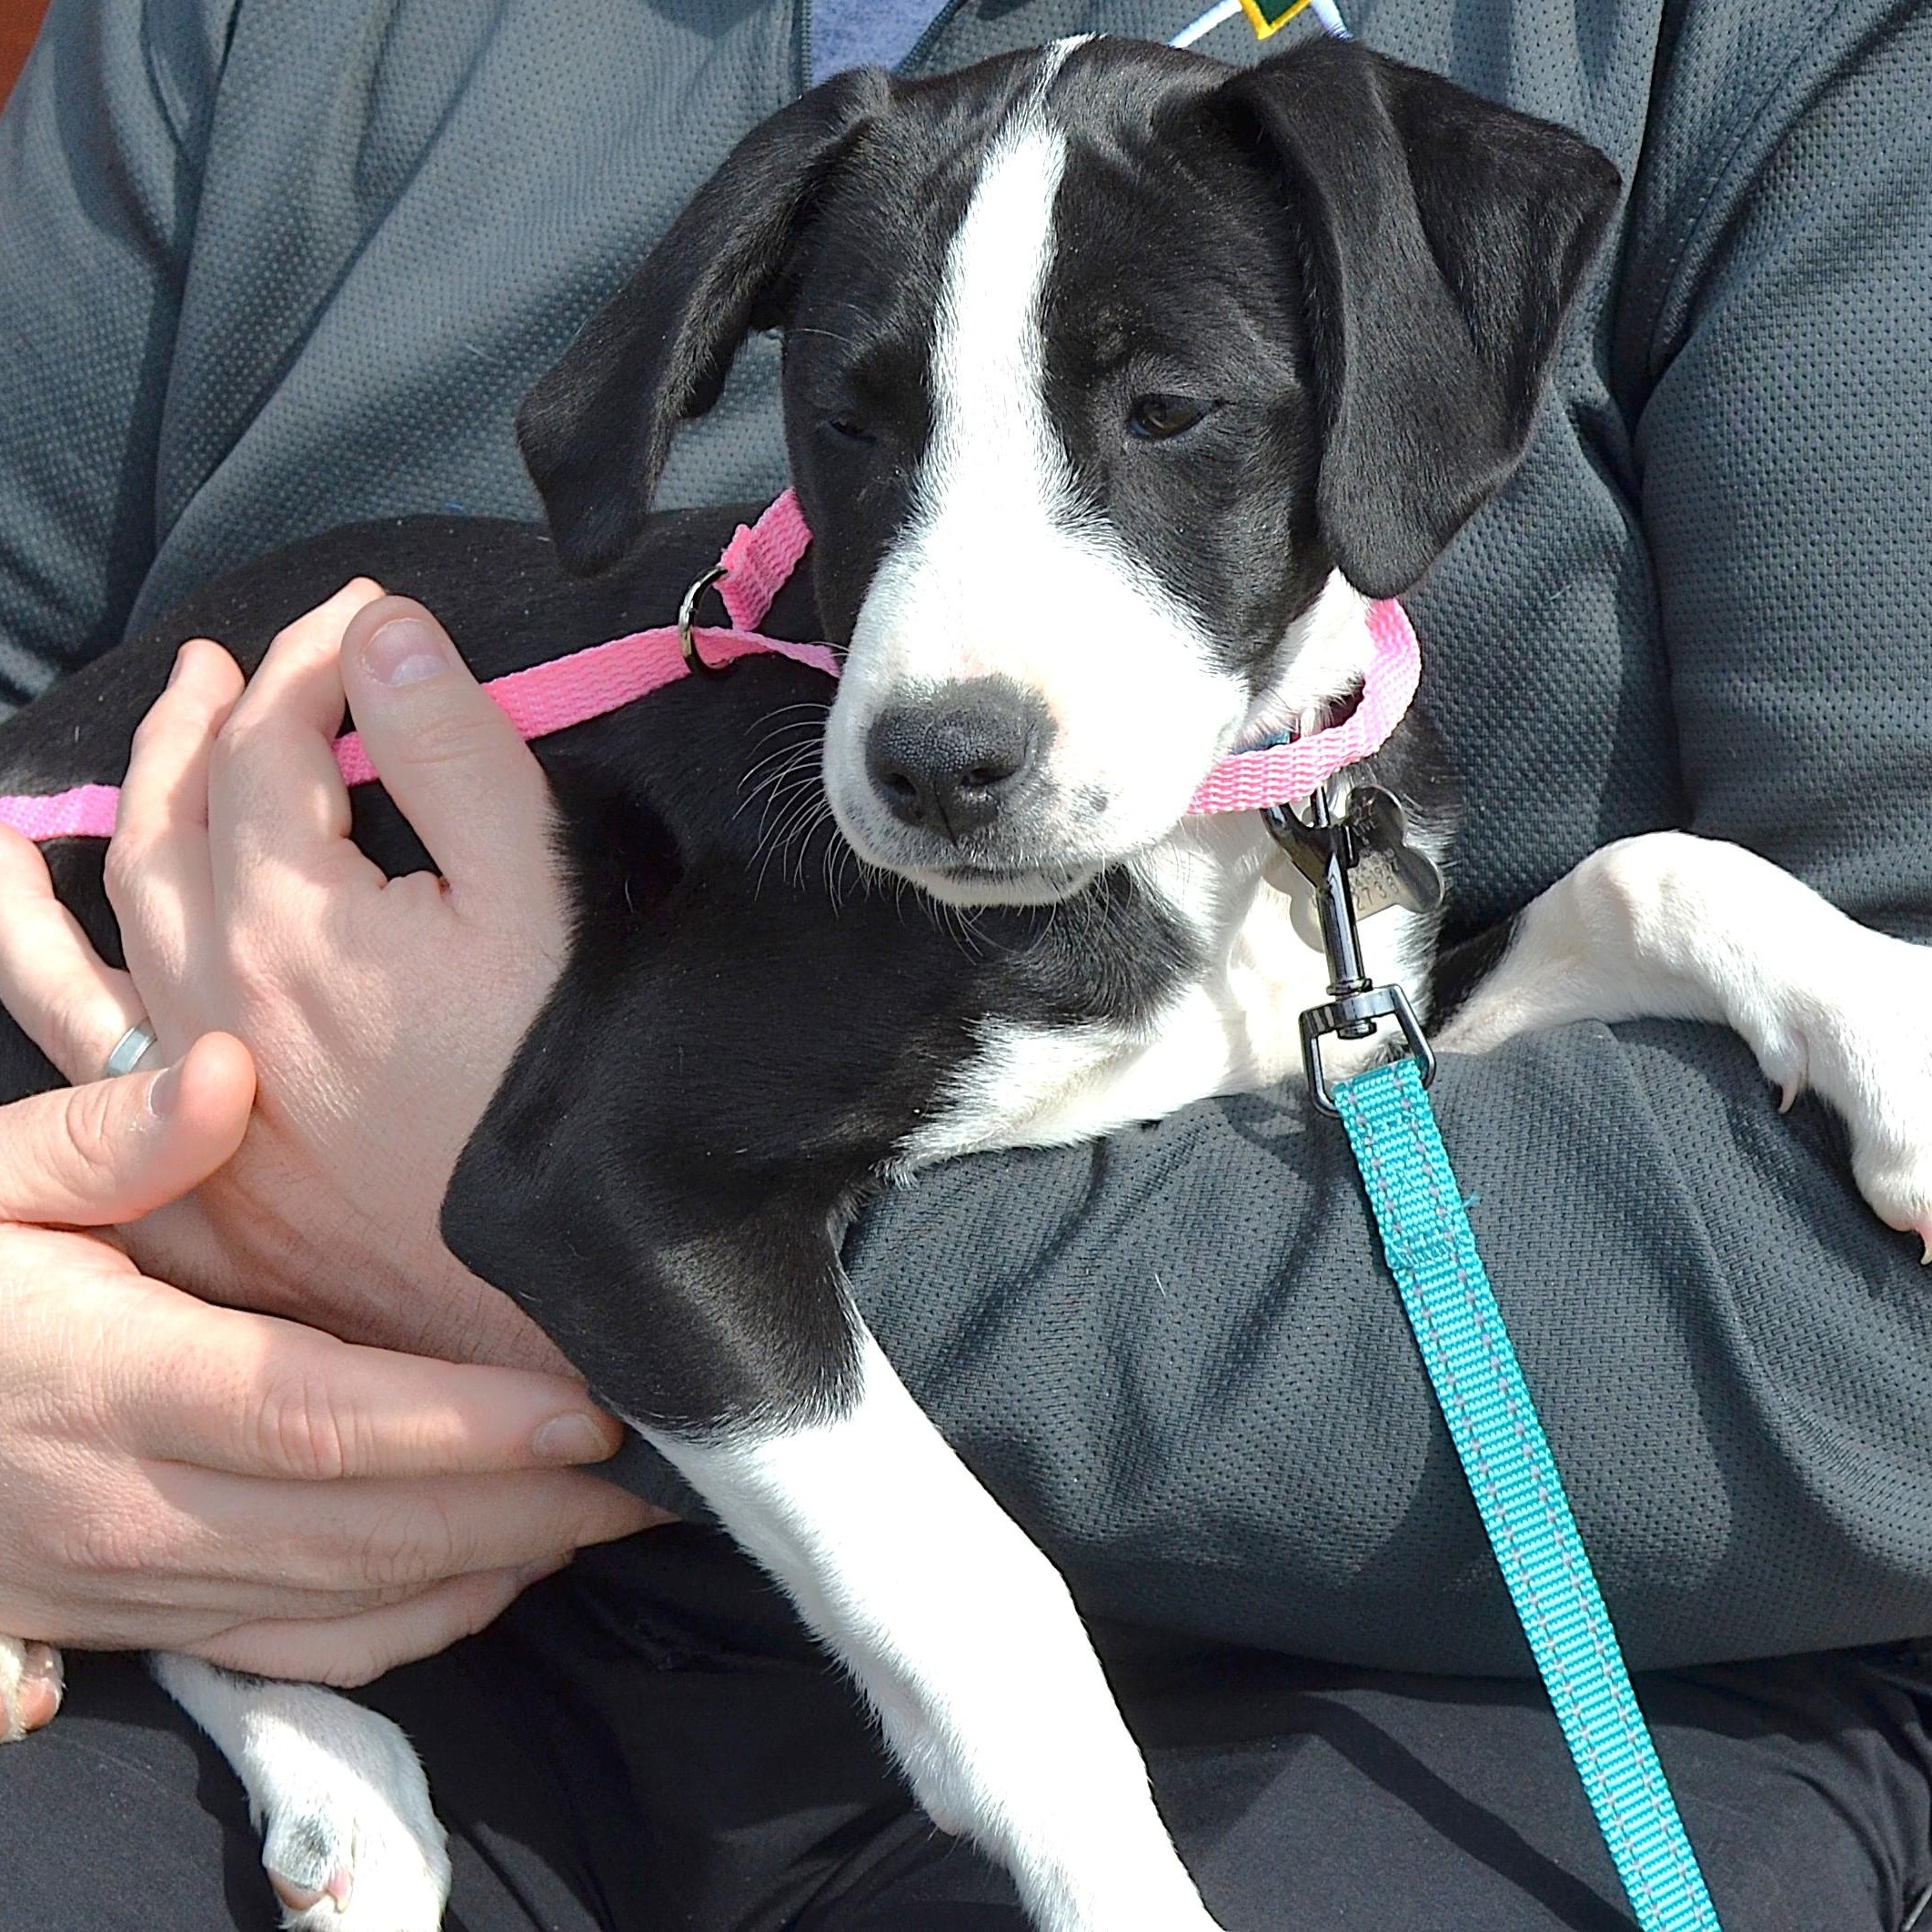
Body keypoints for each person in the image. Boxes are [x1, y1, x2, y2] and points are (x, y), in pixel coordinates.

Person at [0, 0, 1929, 1926]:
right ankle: (260, 1697)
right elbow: (633, 1185)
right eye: (865, 428)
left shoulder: (1748, 59)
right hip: (321, 1556)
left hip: (1379, 1691)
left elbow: (600, 1193)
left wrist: (1705, 923)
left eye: (1161, 417)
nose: (940, 694)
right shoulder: (237, 35)